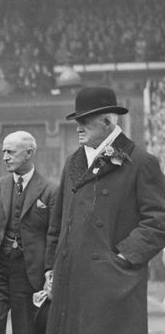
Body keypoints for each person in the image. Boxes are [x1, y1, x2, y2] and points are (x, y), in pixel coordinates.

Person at [45, 86, 165, 334]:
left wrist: (123, 258)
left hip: (113, 285)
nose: (78, 128)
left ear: (107, 121)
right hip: (70, 283)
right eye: (77, 121)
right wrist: (50, 266)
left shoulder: (141, 162)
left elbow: (158, 220)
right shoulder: (73, 162)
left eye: (85, 122)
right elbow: (58, 221)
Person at [0, 131, 56, 334]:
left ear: (29, 153)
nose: (4, 157)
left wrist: (50, 274)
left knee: (25, 328)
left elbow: (54, 236)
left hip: (28, 273)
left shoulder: (50, 189)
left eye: (10, 152)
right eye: (3, 152)